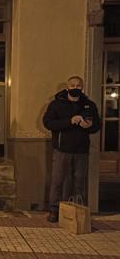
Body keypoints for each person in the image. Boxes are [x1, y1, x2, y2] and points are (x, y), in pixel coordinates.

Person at [43, 76, 101, 222]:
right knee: (58, 181)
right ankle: (54, 210)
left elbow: (97, 126)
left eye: (79, 86)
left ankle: (78, 210)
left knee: (79, 181)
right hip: (62, 149)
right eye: (72, 85)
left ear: (83, 88)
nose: (75, 88)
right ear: (67, 87)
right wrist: (69, 121)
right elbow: (48, 123)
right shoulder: (56, 104)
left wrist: (90, 126)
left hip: (81, 150)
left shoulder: (89, 105)